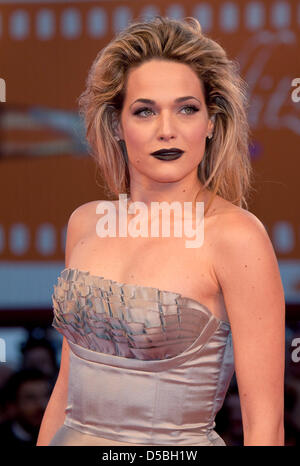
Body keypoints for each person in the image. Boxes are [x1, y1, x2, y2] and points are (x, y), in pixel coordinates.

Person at [37, 16, 285, 446]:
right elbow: (66, 387)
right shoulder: (85, 222)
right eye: (145, 110)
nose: (166, 129)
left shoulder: (236, 237)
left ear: (210, 123)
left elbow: (265, 424)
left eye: (187, 108)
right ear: (116, 125)